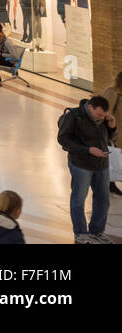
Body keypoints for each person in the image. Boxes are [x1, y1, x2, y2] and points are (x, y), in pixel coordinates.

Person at [57, 94, 118, 243]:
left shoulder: (103, 118)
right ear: (90, 107)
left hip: (101, 164)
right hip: (81, 164)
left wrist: (112, 127)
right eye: (98, 115)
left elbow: (108, 137)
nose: (100, 118)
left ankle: (97, 231)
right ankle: (80, 233)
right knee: (78, 199)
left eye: (103, 116)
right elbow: (63, 139)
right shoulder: (74, 116)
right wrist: (88, 150)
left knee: (103, 200)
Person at [105, 71, 122, 196]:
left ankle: (111, 184)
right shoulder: (113, 92)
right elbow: (106, 112)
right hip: (116, 131)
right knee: (114, 158)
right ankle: (110, 184)